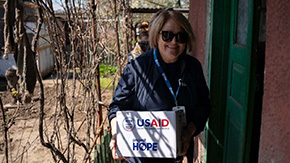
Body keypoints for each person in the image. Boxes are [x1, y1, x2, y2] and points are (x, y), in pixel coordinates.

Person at [108, 9, 211, 163]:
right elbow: (117, 106)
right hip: (142, 158)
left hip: (179, 156)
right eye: (167, 35)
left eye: (180, 37)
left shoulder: (193, 67)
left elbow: (203, 105)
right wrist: (117, 135)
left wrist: (189, 132)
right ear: (156, 35)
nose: (174, 42)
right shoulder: (138, 68)